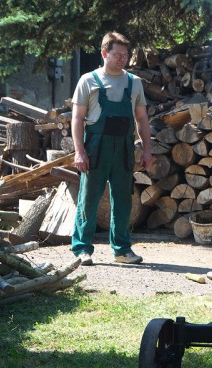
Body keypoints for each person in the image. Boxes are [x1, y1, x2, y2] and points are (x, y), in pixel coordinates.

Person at [71, 31, 153, 265]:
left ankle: (122, 250)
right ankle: (82, 249)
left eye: (125, 55)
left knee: (123, 199)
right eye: (117, 54)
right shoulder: (88, 80)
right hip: (96, 146)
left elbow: (142, 120)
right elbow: (77, 119)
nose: (122, 59)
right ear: (104, 53)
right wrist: (79, 151)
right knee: (89, 198)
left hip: (124, 148)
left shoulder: (134, 82)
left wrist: (147, 149)